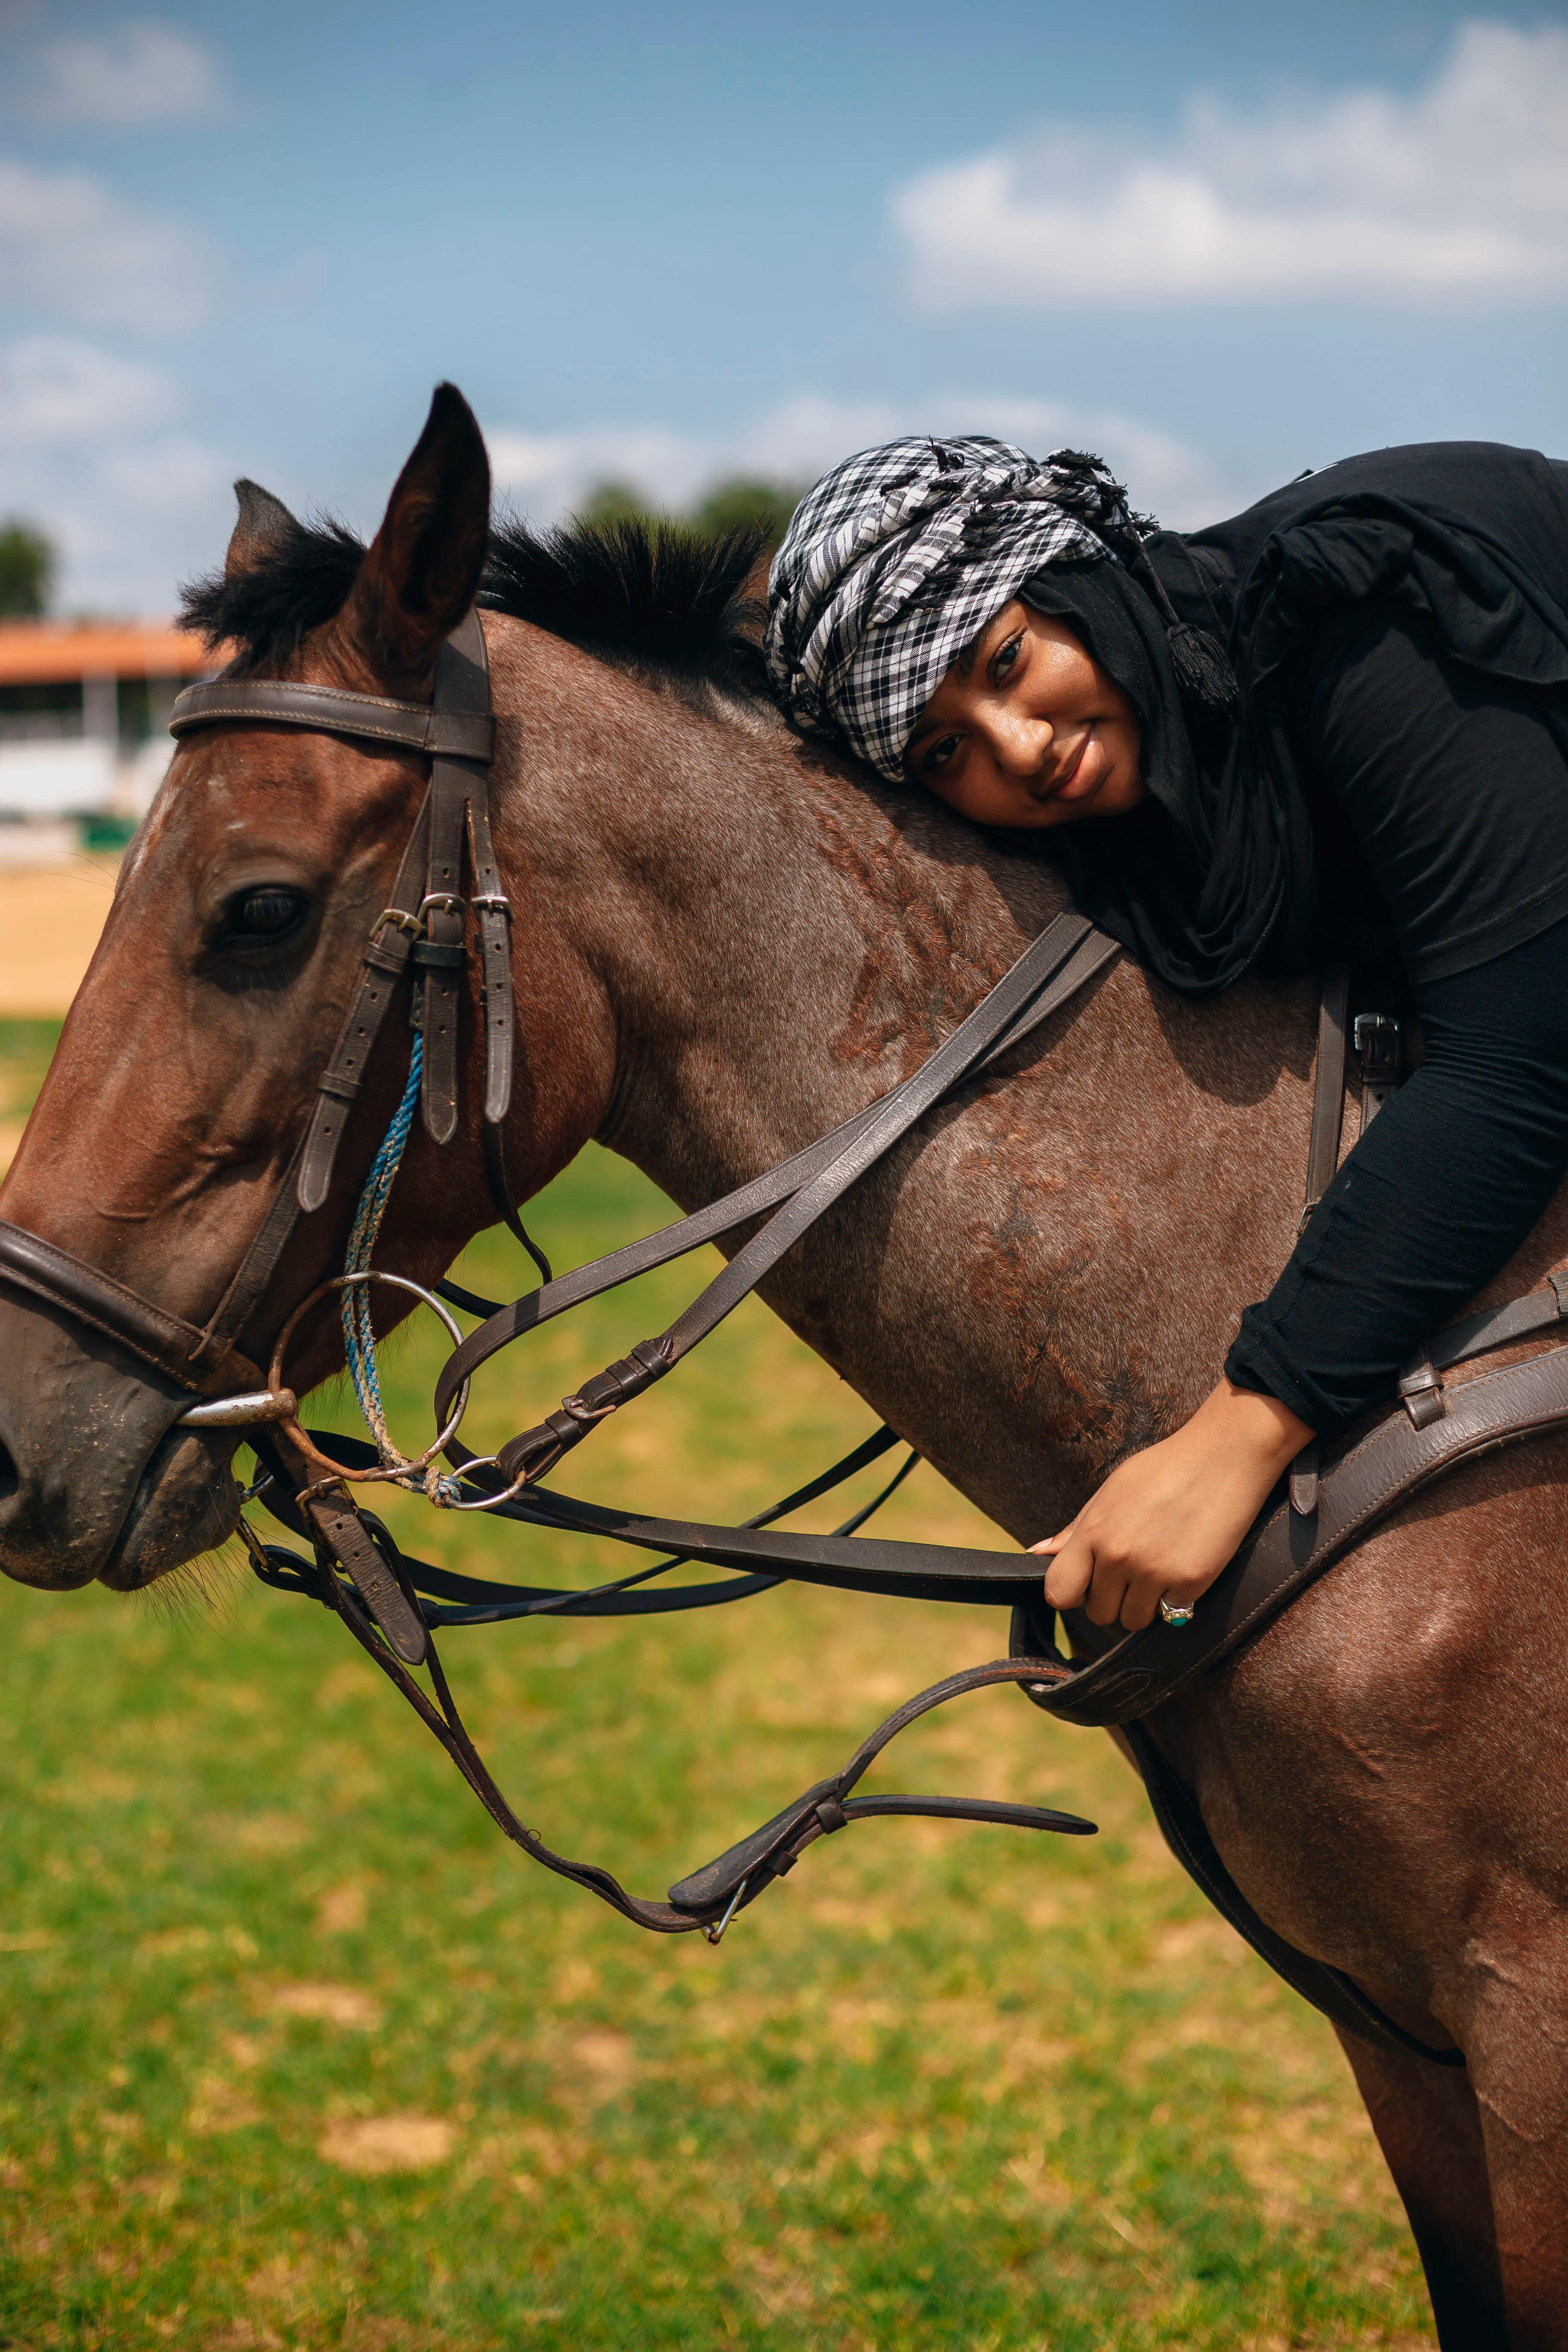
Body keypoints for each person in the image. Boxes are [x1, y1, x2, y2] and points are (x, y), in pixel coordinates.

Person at [763, 434, 1568, 1635]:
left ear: (1075, 579)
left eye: (1008, 660)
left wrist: (1242, 1433)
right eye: (946, 751)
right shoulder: (1160, 827)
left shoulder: (1353, 622)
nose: (1020, 748)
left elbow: (1516, 1064)